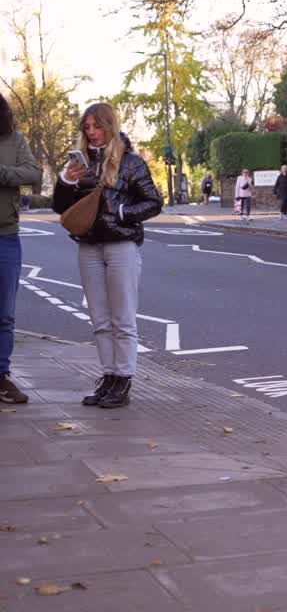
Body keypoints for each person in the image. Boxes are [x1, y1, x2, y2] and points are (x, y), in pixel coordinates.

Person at [50, 102, 162, 409]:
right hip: (88, 246)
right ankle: (109, 376)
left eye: (97, 127)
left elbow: (153, 201)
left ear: (109, 126)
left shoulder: (131, 162)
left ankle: (124, 378)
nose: (92, 133)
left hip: (120, 245)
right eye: (87, 128)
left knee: (122, 318)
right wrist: (67, 180)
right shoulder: (81, 163)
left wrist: (122, 211)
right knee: (99, 319)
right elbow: (60, 207)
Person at [0, 94, 42, 404]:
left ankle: (1, 377)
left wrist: (2, 174)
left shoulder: (15, 140)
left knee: (5, 315)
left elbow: (33, 174)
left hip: (6, 236)